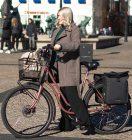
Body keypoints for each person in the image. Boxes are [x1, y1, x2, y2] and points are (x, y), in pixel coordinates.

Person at [50, 7, 94, 135]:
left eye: (59, 15)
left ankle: (87, 124)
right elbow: (52, 45)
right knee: (63, 98)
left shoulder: (74, 29)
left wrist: (62, 46)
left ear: (66, 16)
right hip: (60, 67)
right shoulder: (58, 29)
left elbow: (76, 45)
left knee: (73, 98)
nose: (57, 18)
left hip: (69, 67)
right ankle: (66, 123)